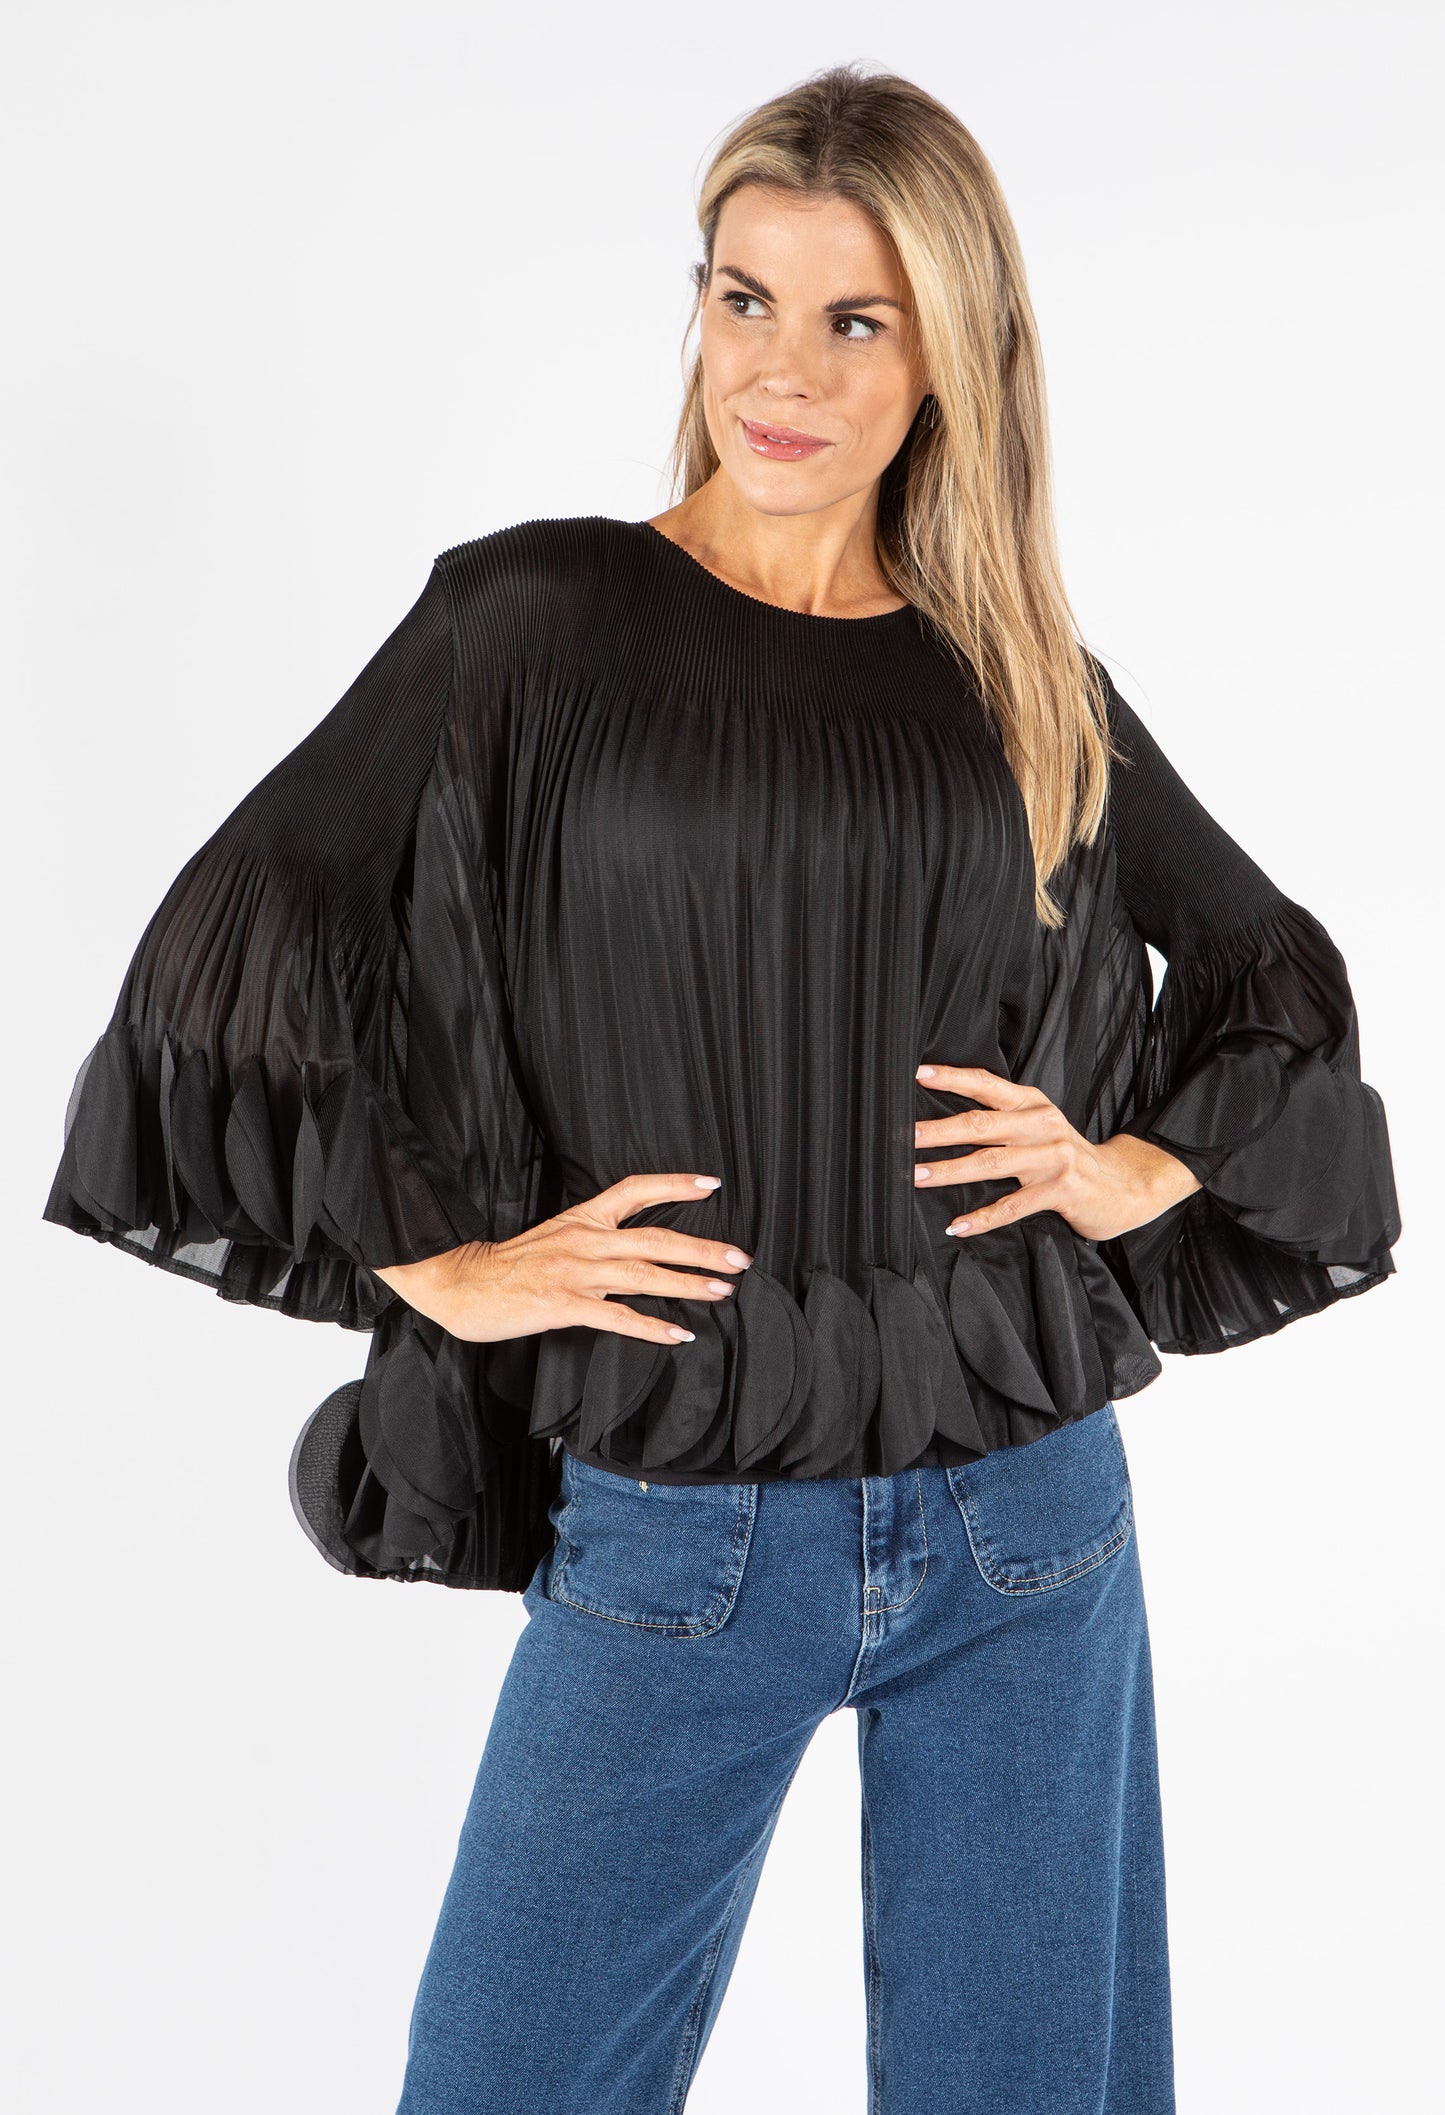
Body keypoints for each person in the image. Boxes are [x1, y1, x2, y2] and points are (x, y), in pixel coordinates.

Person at [42, 61, 1400, 2115]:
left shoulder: (1015, 674)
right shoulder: (531, 618)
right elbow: (247, 926)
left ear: (948, 355)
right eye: (743, 297)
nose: (782, 367)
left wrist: (1136, 1165)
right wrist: (437, 1257)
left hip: (1026, 1518)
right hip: (680, 1519)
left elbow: (1266, 965)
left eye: (856, 319)